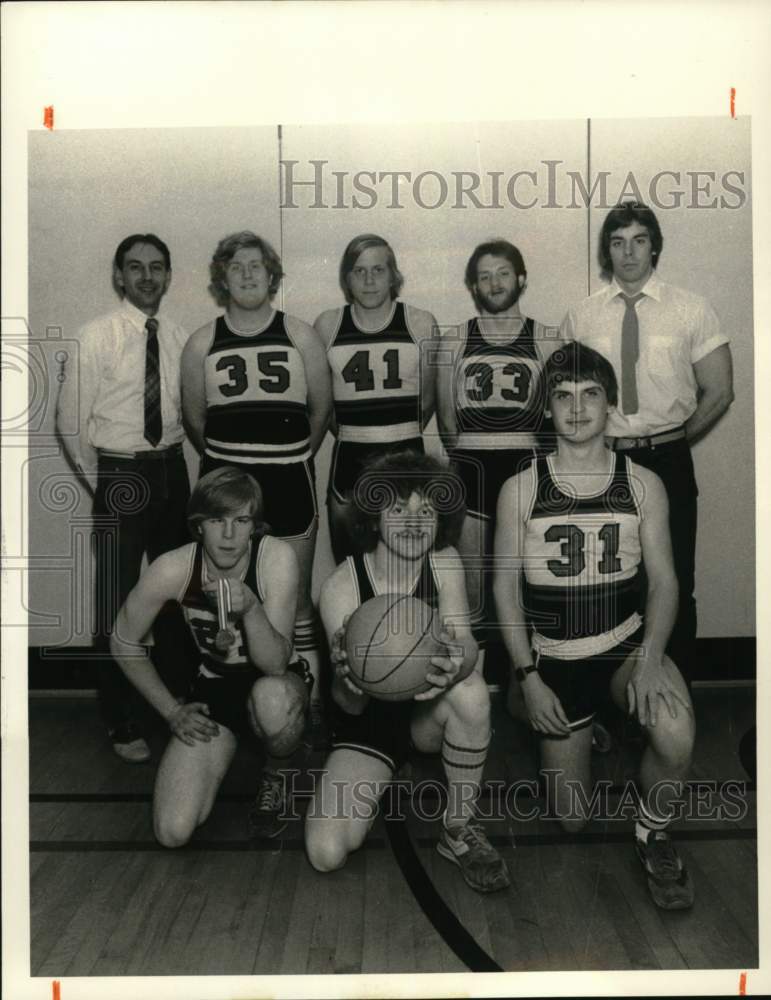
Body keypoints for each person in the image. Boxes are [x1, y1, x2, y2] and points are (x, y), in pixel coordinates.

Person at [494, 341, 696, 909]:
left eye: (590, 394)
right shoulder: (521, 488)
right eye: (563, 396)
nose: (577, 408)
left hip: (623, 646)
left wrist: (650, 660)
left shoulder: (643, 483)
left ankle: (653, 831)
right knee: (572, 820)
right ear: (547, 408)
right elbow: (503, 591)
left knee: (676, 732)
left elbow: (665, 583)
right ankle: (524, 701)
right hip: (555, 659)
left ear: (611, 404)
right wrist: (529, 676)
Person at [305, 451, 510, 894]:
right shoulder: (341, 585)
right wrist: (349, 678)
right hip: (368, 722)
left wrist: (456, 666)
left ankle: (458, 826)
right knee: (326, 853)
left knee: (472, 691)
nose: (415, 523)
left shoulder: (445, 562)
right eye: (398, 510)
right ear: (373, 519)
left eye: (427, 511)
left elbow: (466, 645)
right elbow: (346, 704)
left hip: (424, 713)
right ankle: (382, 777)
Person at [560, 201, 733, 682]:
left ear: (654, 246)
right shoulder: (582, 316)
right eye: (618, 243)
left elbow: (720, 390)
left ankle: (673, 699)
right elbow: (565, 395)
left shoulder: (691, 308)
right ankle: (615, 701)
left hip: (669, 460)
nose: (629, 252)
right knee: (609, 582)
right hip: (605, 463)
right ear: (606, 251)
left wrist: (670, 440)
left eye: (639, 240)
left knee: (674, 580)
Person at [181, 231, 332, 744]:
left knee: (298, 599)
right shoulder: (202, 342)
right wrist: (234, 465)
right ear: (221, 279)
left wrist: (286, 457)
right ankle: (231, 704)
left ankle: (307, 706)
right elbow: (196, 421)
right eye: (236, 267)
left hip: (288, 481)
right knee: (223, 597)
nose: (247, 274)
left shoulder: (300, 335)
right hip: (227, 487)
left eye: (256, 266)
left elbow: (320, 411)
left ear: (272, 276)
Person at [110, 467, 312, 842]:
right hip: (215, 687)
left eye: (241, 520)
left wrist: (250, 608)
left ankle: (280, 769)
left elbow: (274, 664)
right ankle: (231, 747)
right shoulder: (173, 568)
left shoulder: (275, 558)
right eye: (217, 520)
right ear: (198, 525)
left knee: (271, 699)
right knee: (172, 831)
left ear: (255, 526)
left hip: (275, 683)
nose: (230, 535)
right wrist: (171, 711)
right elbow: (123, 641)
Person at [56, 234, 191, 763]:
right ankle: (121, 717)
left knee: (178, 594)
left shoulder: (179, 336)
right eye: (135, 267)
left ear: (168, 276)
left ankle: (177, 706)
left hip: (172, 470)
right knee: (116, 599)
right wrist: (107, 486)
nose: (147, 277)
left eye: (157, 267)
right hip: (120, 473)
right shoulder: (96, 335)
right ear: (119, 276)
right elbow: (71, 421)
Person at [435, 239, 556, 699]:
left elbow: (555, 420)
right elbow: (447, 422)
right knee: (471, 585)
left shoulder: (547, 339)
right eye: (484, 276)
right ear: (473, 286)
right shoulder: (455, 340)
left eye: (503, 273)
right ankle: (475, 686)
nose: (495, 283)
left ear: (521, 278)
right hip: (472, 468)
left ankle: (524, 686)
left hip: (525, 469)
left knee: (526, 581)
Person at [314, 234, 438, 562]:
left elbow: (427, 402)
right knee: (351, 566)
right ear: (346, 278)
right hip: (350, 459)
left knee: (410, 564)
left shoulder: (420, 322)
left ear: (393, 275)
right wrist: (360, 432)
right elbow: (324, 407)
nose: (369, 280)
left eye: (378, 270)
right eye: (359, 271)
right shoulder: (328, 325)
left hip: (406, 453)